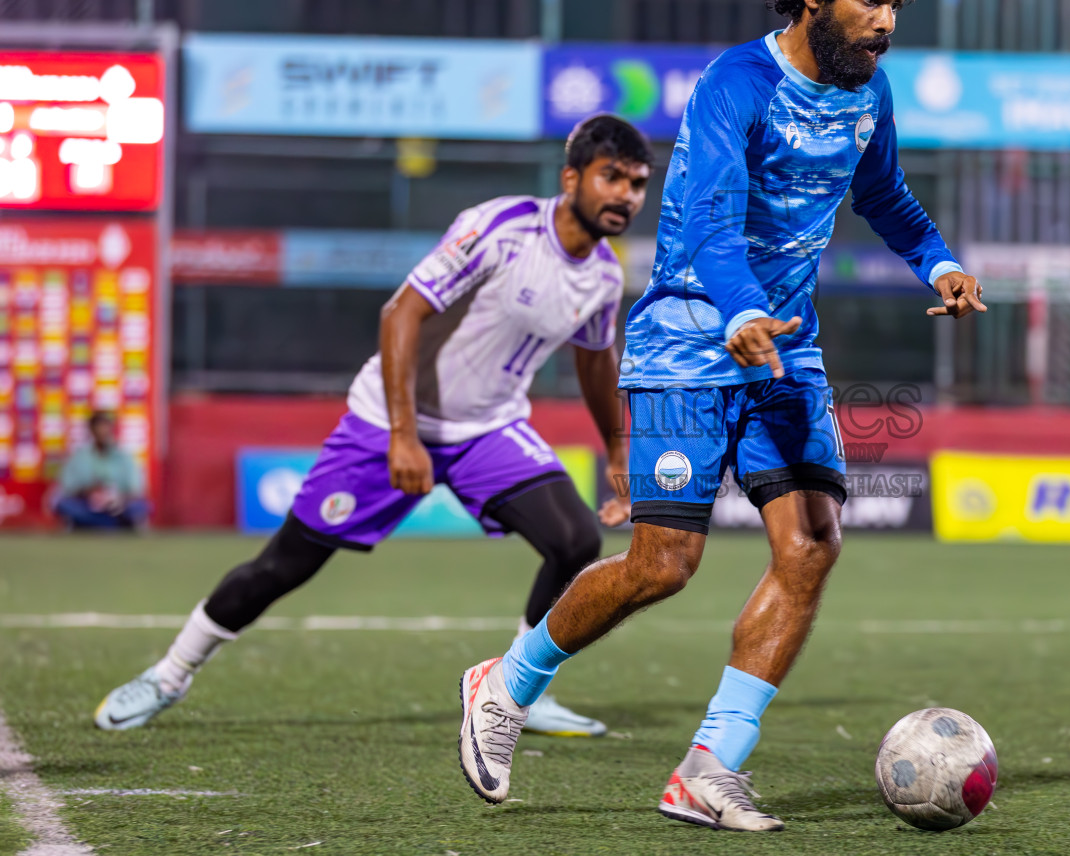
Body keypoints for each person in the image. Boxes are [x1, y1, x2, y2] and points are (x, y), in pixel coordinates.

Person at [457, 0, 986, 830]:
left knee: (813, 544)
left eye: (896, 1)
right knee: (664, 564)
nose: (886, 21)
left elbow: (886, 192)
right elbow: (705, 220)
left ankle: (710, 766)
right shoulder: (734, 84)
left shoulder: (869, 87)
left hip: (787, 349)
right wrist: (740, 312)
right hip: (687, 345)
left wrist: (939, 261)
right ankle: (505, 683)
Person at [94, 115, 652, 737]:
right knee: (285, 566)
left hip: (487, 431)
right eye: (612, 178)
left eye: (636, 183)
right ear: (571, 176)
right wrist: (403, 433)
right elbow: (400, 314)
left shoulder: (604, 274)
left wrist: (617, 447)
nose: (625, 196)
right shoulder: (499, 228)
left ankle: (517, 689)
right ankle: (168, 675)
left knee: (575, 541)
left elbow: (595, 357)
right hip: (386, 419)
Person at [54, 411, 151, 531]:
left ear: (111, 429)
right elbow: (67, 488)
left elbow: (136, 490)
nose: (102, 432)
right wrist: (89, 491)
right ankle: (106, 525)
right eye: (98, 428)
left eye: (105, 428)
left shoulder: (124, 457)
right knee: (65, 505)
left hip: (118, 507)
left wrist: (115, 496)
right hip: (88, 507)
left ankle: (100, 525)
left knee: (140, 506)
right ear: (91, 431)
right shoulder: (79, 457)